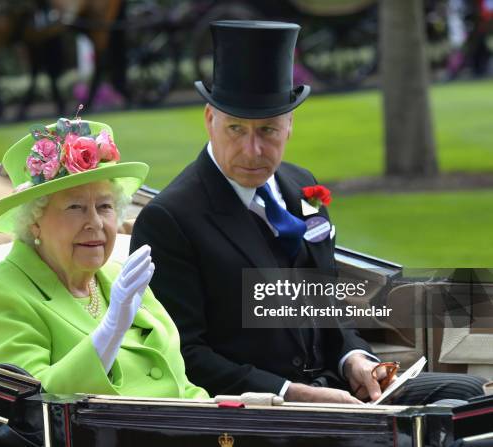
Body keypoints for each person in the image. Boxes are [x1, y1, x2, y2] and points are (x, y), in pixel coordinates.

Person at [130, 20, 486, 405]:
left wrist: (355, 360)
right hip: (263, 414)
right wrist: (293, 395)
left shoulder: (301, 187)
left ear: (290, 125)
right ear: (209, 120)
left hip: (337, 388)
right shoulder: (169, 220)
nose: (252, 150)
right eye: (236, 129)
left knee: (466, 397)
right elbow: (184, 357)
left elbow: (325, 302)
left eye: (268, 131)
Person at [0, 116, 208, 399]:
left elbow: (182, 386)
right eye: (75, 207)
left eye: (104, 206)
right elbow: (36, 404)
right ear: (33, 221)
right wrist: (111, 330)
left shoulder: (118, 278)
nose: (95, 222)